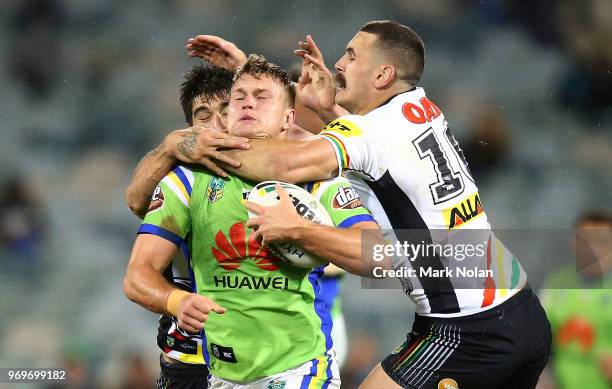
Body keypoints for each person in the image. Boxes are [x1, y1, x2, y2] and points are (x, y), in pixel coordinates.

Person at [176, 21, 552, 388]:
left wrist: (200, 143)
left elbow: (285, 163)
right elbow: (357, 144)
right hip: (521, 309)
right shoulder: (419, 109)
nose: (338, 65)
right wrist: (253, 77)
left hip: (469, 328)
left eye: (352, 56)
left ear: (383, 74)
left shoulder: (368, 132)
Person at [125, 55, 380, 388]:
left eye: (260, 97)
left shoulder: (315, 179)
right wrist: (178, 301)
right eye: (239, 97)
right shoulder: (185, 181)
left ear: (289, 119)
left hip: (299, 368)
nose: (246, 105)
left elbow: (378, 255)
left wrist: (299, 229)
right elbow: (136, 270)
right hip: (215, 370)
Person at [123, 63, 243, 389]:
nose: (218, 125)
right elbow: (135, 201)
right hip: (192, 362)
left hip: (276, 360)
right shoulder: (181, 182)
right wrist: (178, 302)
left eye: (227, 109)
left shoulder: (285, 173)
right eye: (204, 117)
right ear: (189, 129)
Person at [540, 211, 612, 389]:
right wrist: (543, 376)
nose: (594, 249)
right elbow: (535, 339)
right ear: (574, 244)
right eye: (586, 242)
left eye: (602, 241)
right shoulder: (556, 286)